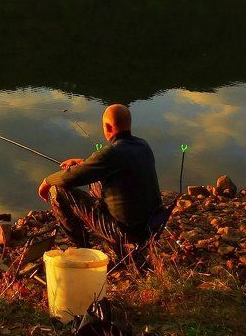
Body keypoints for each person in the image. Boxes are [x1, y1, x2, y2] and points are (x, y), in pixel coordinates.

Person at [37, 104, 162, 258]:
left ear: (108, 127)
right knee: (95, 180)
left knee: (57, 190)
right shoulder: (143, 145)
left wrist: (47, 181)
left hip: (126, 231)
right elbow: (103, 168)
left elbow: (69, 179)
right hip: (152, 224)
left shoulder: (112, 152)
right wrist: (82, 164)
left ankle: (83, 250)